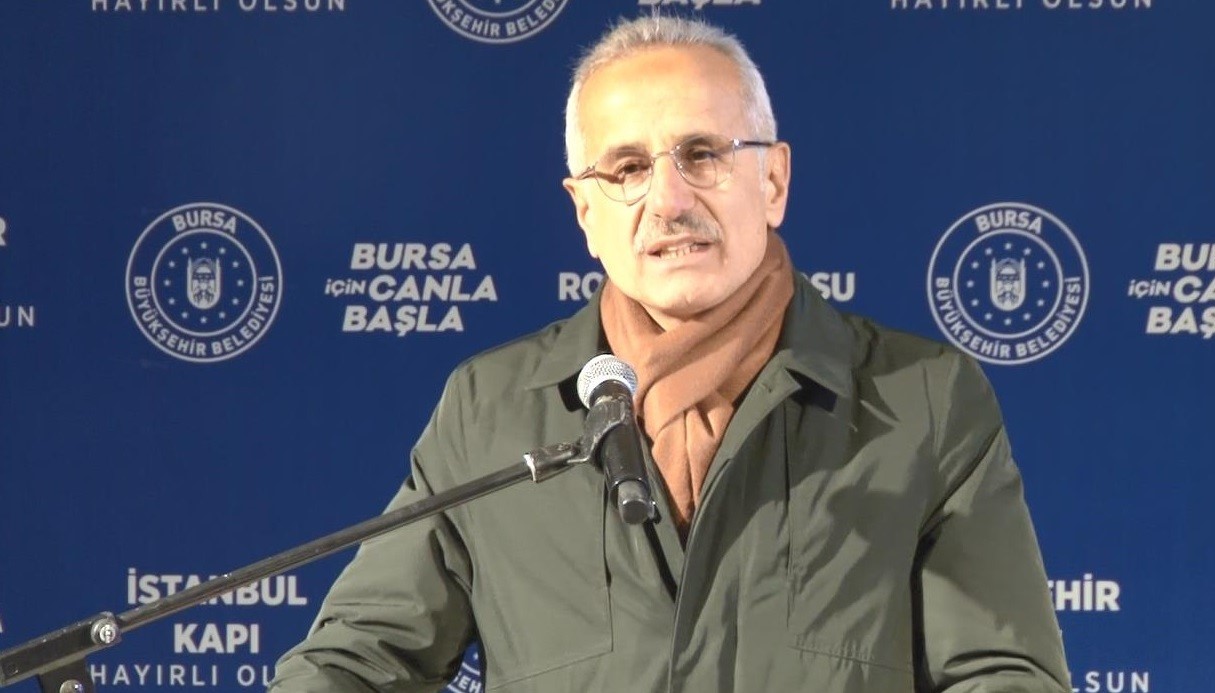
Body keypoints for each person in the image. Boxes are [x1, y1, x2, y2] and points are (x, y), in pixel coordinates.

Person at [270, 15, 1070, 693]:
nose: (668, 199)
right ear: (584, 211)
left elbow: (1003, 674)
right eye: (626, 168)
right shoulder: (491, 407)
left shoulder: (921, 397)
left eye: (702, 153)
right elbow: (356, 661)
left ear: (773, 180)